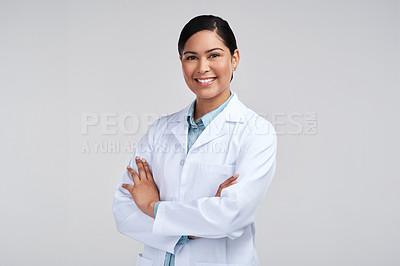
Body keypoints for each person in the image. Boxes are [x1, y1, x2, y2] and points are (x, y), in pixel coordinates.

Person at [113, 14, 277, 266]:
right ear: (181, 62)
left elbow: (232, 217)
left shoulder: (256, 132)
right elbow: (124, 211)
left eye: (214, 55)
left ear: (234, 59)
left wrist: (153, 207)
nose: (202, 67)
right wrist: (195, 227)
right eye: (192, 57)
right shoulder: (160, 130)